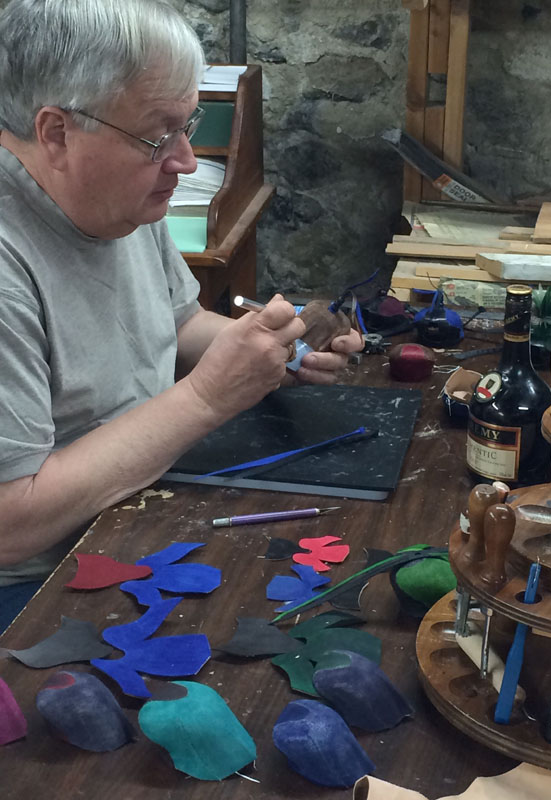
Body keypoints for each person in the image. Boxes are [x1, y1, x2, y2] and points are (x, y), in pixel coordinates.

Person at [0, 0, 363, 625]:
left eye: (188, 125)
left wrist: (275, 349)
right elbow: (10, 521)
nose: (187, 161)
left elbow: (177, 323)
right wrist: (207, 399)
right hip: (38, 583)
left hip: (132, 506)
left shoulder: (114, 194)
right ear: (56, 132)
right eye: (158, 135)